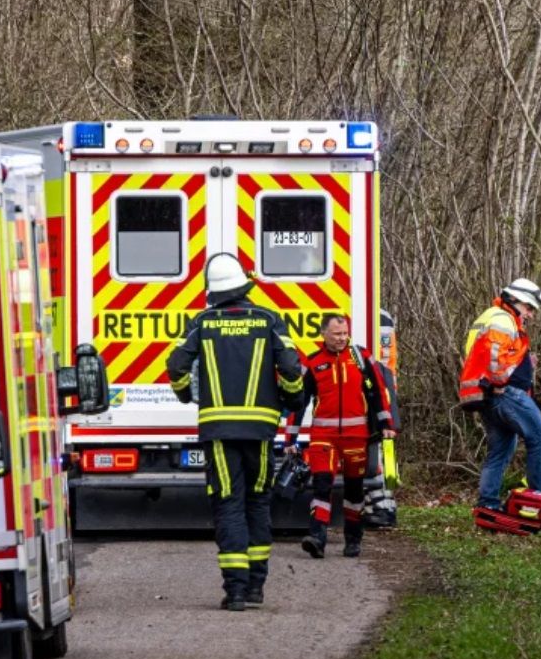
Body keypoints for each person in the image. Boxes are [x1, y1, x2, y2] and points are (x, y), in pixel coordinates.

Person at [166, 252, 305, 611]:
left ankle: (236, 591)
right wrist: (293, 400)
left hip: (219, 432)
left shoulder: (202, 322)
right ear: (244, 285)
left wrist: (184, 395)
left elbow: (176, 366)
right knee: (258, 502)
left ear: (212, 291)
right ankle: (256, 587)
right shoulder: (269, 320)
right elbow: (291, 370)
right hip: (260, 431)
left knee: (228, 504)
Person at [294, 314, 395, 559]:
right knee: (322, 484)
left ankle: (353, 539)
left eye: (344, 333)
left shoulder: (361, 358)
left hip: (356, 436)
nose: (342, 338)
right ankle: (317, 538)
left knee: (354, 491)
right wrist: (291, 438)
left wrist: (386, 424)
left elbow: (378, 392)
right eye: (337, 334)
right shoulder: (314, 362)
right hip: (322, 436)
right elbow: (299, 403)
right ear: (323, 334)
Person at [459, 278, 541, 511]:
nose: (530, 315)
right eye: (529, 308)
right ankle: (537, 502)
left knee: (500, 451)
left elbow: (480, 352)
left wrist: (524, 363)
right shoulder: (503, 319)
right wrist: (499, 380)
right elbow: (494, 356)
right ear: (516, 301)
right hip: (504, 393)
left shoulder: (490, 316)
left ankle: (487, 503)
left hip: (488, 395)